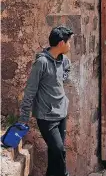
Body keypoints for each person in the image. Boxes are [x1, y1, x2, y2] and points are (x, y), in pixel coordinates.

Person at [19, 25, 74, 176]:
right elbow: (30, 91)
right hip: (46, 117)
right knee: (59, 150)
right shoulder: (41, 63)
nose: (70, 45)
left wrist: (64, 74)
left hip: (61, 114)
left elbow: (66, 74)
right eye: (68, 42)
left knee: (55, 155)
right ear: (61, 43)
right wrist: (23, 119)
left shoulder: (64, 60)